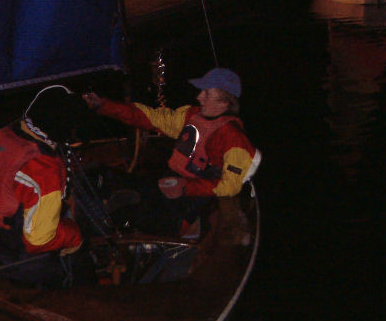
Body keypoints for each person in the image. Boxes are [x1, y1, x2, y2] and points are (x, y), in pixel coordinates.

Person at [83, 67, 260, 238]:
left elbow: (230, 186)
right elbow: (152, 117)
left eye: (207, 94)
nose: (199, 97)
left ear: (225, 102)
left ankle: (189, 232)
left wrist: (185, 187)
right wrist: (104, 105)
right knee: (107, 179)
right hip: (171, 181)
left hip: (191, 199)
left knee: (130, 216)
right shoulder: (192, 115)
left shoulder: (235, 140)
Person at [0, 85, 94, 288]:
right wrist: (74, 236)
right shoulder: (44, 169)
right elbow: (39, 241)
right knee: (78, 255)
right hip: (16, 260)